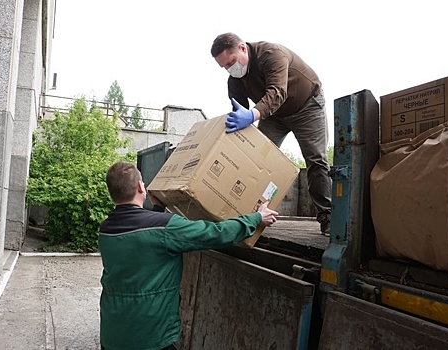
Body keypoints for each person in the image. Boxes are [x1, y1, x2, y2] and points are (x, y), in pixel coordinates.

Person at [98, 161, 278, 350]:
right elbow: (215, 233)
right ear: (140, 186)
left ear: (112, 193)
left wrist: (158, 209)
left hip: (113, 332)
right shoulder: (166, 227)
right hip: (151, 335)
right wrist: (256, 218)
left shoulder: (106, 229)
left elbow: (141, 240)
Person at [210, 32, 332, 236]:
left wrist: (252, 116)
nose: (231, 69)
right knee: (257, 159)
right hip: (273, 115)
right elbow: (238, 110)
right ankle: (250, 216)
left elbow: (277, 92)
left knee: (316, 159)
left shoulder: (271, 54)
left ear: (242, 48)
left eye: (232, 62)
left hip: (306, 107)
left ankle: (327, 217)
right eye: (225, 67)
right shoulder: (235, 78)